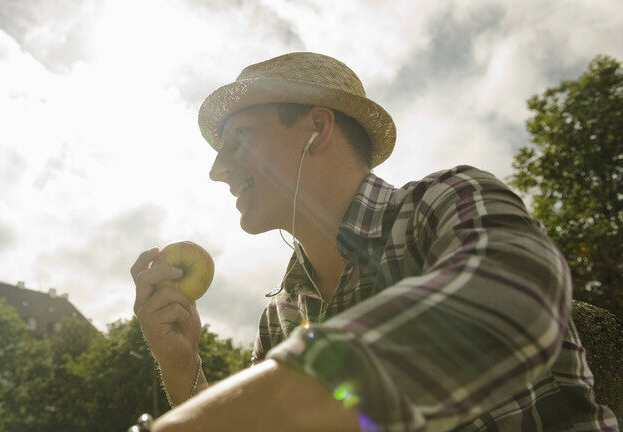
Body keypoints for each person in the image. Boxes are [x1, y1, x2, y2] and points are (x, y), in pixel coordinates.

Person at [130, 52, 619, 431]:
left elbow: (515, 300)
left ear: (317, 128)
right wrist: (182, 369)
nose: (217, 170)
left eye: (238, 137)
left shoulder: (448, 200)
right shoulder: (279, 317)